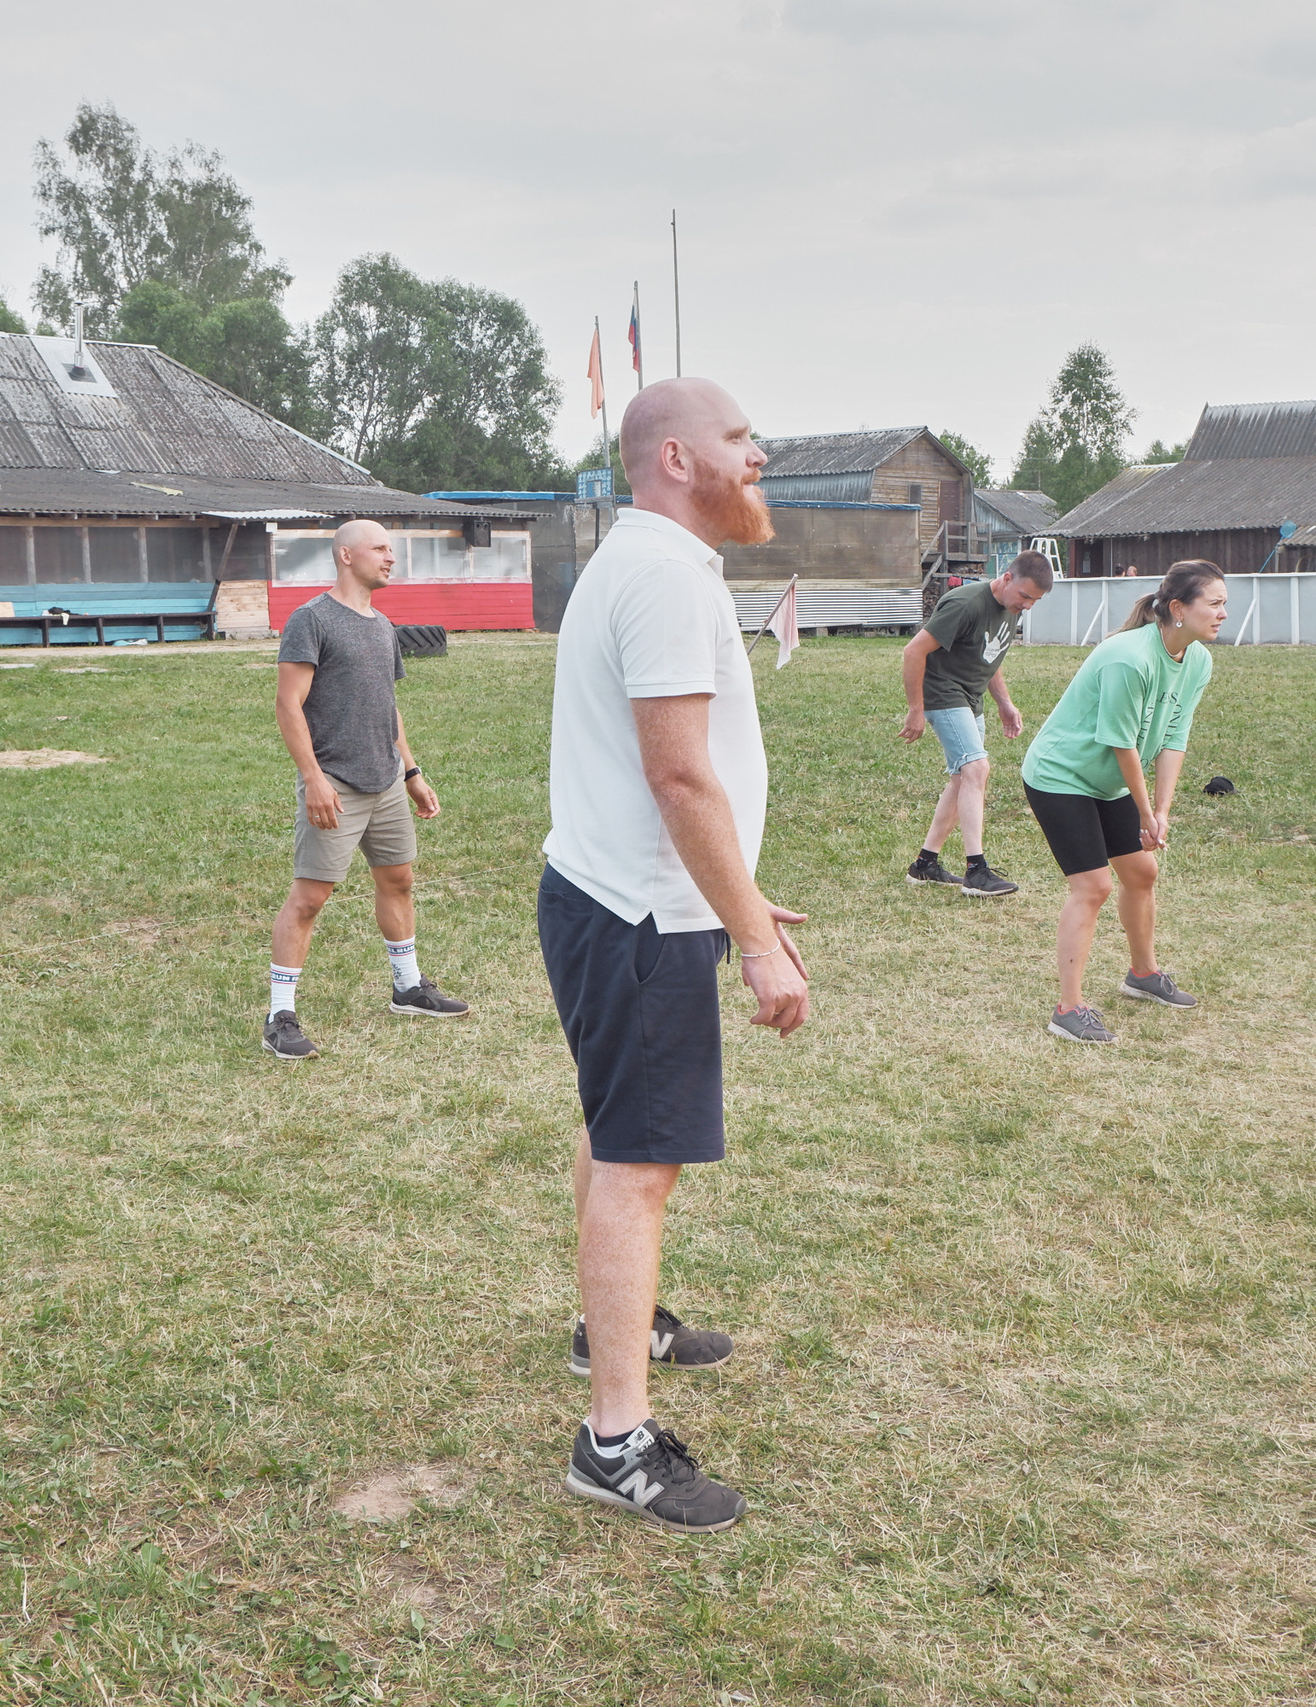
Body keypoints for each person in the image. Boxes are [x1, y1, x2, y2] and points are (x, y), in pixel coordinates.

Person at [537, 377, 808, 1534]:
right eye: (741, 440)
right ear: (677, 460)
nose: (761, 457)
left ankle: (625, 1322)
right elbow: (678, 773)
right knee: (641, 1164)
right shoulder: (657, 575)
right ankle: (614, 1443)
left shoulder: (658, 563)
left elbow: (687, 786)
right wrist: (749, 939)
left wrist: (736, 895)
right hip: (640, 920)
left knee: (620, 1137)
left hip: (629, 903)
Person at [263, 519, 468, 1060]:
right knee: (310, 898)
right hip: (334, 782)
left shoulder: (381, 624)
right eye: (380, 548)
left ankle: (407, 987)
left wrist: (412, 772)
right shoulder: (311, 620)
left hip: (386, 782)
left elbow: (388, 707)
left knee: (398, 880)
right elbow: (288, 704)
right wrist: (313, 779)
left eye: (390, 550)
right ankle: (279, 1015)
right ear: (345, 555)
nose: (390, 558)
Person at [1018, 560, 1225, 1044]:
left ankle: (1142, 974)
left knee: (1142, 872)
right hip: (1060, 775)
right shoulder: (1127, 657)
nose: (1223, 614)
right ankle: (1068, 1008)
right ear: (1178, 608)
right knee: (1092, 886)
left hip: (1108, 782)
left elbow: (1174, 737)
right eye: (1214, 604)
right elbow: (1122, 743)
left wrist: (1163, 811)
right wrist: (1145, 810)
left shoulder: (1197, 660)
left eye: (1224, 604)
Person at [901, 552, 1054, 896]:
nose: (1028, 606)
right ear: (1006, 578)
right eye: (1025, 596)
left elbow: (990, 654)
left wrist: (1005, 703)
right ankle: (977, 870)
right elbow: (913, 651)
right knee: (976, 769)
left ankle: (925, 864)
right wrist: (915, 709)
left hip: (971, 698)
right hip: (943, 693)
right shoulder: (965, 604)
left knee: (963, 777)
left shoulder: (1009, 609)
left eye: (1036, 601)